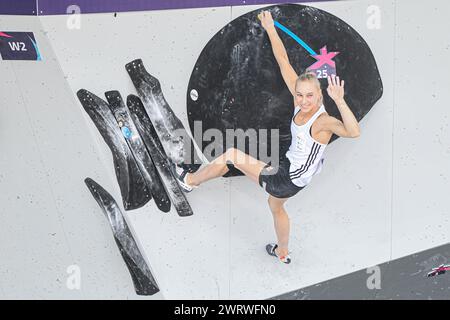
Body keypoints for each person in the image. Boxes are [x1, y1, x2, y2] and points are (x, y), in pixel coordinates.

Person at [173, 10, 360, 264]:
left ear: (320, 96)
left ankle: (189, 180)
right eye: (299, 95)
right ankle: (282, 251)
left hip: (286, 177)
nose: (303, 101)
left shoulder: (323, 122)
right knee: (276, 207)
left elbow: (353, 132)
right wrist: (271, 27)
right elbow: (283, 61)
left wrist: (341, 101)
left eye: (309, 96)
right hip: (297, 176)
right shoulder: (300, 102)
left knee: (232, 157)